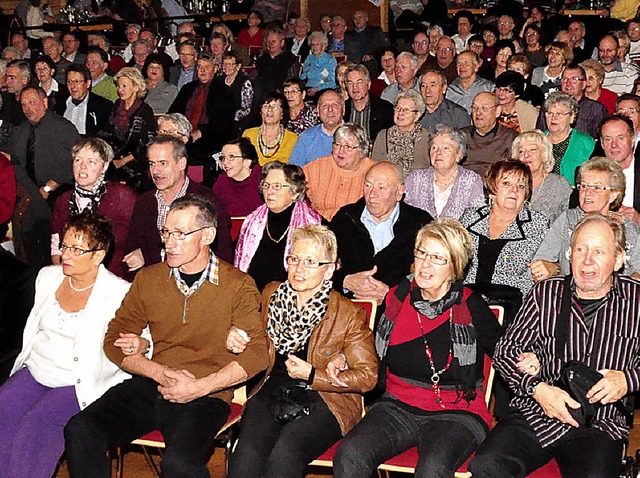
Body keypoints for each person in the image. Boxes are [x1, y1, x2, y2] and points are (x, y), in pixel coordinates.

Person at [64, 195, 270, 477]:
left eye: (180, 234)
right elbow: (114, 338)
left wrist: (201, 387)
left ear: (207, 235)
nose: (169, 242)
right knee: (81, 429)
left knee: (179, 464)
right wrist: (158, 372)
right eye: (166, 232)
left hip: (206, 395)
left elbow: (258, 353)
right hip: (153, 383)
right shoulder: (149, 279)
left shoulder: (237, 286)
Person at [469, 214, 640, 478]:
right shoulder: (546, 292)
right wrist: (537, 389)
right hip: (540, 409)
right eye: (580, 249)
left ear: (618, 260)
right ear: (569, 254)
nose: (587, 260)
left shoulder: (636, 300)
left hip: (600, 421)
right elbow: (506, 351)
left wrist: (628, 380)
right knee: (486, 465)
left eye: (598, 251)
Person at [333, 218, 502, 477]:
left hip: (456, 411)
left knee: (433, 468)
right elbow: (368, 346)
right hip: (397, 404)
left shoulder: (471, 306)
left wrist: (533, 369)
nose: (425, 264)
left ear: (455, 267)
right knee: (350, 453)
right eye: (422, 253)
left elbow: (507, 351)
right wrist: (346, 357)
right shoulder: (396, 300)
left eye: (437, 258)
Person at [227, 224, 378, 478]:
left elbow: (368, 377)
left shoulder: (347, 313)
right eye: (294, 259)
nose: (298, 269)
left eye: (310, 262)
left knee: (283, 459)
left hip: (325, 398)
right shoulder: (271, 294)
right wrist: (235, 334)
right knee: (244, 460)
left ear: (329, 269)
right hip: (270, 389)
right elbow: (249, 333)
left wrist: (312, 374)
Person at [0, 213, 134, 477]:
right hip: (38, 369)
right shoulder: (47, 278)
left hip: (78, 380)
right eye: (64, 246)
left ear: (99, 255)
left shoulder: (120, 293)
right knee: (3, 407)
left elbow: (144, 341)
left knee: (36, 425)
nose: (66, 255)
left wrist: (137, 344)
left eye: (76, 249)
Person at [123, 135, 233, 272]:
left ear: (182, 164)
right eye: (152, 163)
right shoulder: (145, 202)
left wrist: (146, 254)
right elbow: (132, 249)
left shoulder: (206, 202)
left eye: (163, 163)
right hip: (155, 284)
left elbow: (223, 256)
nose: (155, 171)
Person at [329, 162, 432, 303]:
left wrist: (392, 295)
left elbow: (436, 278)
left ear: (399, 192)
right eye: (368, 185)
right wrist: (344, 281)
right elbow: (317, 267)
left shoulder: (420, 223)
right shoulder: (345, 218)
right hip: (346, 309)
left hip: (398, 312)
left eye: (381, 188)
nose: (372, 194)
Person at [530, 157, 640, 281]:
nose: (587, 193)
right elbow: (542, 260)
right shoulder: (568, 220)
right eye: (584, 186)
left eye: (597, 188)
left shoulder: (629, 229)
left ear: (613, 195)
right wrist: (553, 268)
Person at [6, 86, 79, 268]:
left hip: (57, 190)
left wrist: (48, 187)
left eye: (32, 103)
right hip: (29, 192)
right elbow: (16, 163)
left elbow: (74, 164)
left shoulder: (63, 128)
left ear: (44, 102)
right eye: (24, 104)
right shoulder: (21, 131)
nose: (28, 108)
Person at [460, 159, 550, 302]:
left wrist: (552, 268)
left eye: (521, 186)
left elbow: (549, 266)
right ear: (492, 189)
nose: (514, 190)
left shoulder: (538, 224)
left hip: (513, 306)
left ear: (526, 194)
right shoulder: (470, 217)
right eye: (506, 183)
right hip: (466, 300)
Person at [51, 138, 136, 280]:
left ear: (104, 167)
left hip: (113, 277)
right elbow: (56, 244)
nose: (82, 167)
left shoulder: (123, 197)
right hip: (73, 277)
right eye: (78, 160)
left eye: (91, 162)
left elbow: (143, 236)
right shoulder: (63, 200)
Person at [234, 162, 321, 291]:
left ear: (295, 192)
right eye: (266, 185)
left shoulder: (314, 225)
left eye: (277, 186)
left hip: (294, 300)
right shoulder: (252, 222)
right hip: (252, 297)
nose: (269, 192)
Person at [405, 124, 484, 220]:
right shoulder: (415, 179)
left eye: (446, 148)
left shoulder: (472, 180)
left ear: (459, 154)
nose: (438, 152)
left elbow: (476, 220)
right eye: (434, 147)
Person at [303, 123, 376, 221]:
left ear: (362, 151)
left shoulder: (374, 172)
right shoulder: (317, 167)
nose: (341, 151)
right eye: (337, 145)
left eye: (348, 147)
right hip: (318, 227)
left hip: (355, 229)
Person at [105, 67, 155, 193]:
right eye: (118, 86)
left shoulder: (145, 111)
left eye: (124, 86)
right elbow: (108, 132)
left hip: (135, 162)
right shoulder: (117, 105)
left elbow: (148, 144)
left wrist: (122, 161)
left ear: (136, 87)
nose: (120, 90)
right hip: (114, 157)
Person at [513, 130, 572, 223]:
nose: (526, 155)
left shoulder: (559, 184)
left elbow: (569, 221)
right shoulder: (510, 184)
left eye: (532, 150)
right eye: (521, 151)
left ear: (544, 154)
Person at [537, 65, 608, 140]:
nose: (568, 83)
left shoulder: (596, 109)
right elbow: (540, 136)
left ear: (584, 84)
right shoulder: (549, 107)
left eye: (574, 79)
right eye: (565, 79)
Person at [371, 89, 429, 177]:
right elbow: (374, 167)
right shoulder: (383, 136)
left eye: (406, 110)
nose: (400, 113)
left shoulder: (427, 138)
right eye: (398, 108)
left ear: (417, 115)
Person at [543, 92, 594, 186]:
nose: (553, 118)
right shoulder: (537, 140)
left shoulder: (585, 142)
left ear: (572, 117)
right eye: (550, 113)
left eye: (559, 114)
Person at [462, 92, 518, 176]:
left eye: (484, 108)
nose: (478, 113)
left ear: (497, 111)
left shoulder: (511, 137)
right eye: (474, 108)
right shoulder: (461, 136)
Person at [289, 89, 344, 167]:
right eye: (325, 105)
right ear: (317, 111)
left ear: (343, 110)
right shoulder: (306, 137)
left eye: (335, 105)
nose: (330, 109)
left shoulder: (355, 136)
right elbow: (294, 171)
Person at [242, 92, 298, 166]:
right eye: (266, 106)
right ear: (261, 111)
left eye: (275, 107)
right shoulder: (248, 134)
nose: (269, 110)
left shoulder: (293, 139)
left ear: (282, 113)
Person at [343, 64, 394, 145]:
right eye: (350, 83)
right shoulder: (341, 109)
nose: (355, 87)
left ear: (368, 84)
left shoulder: (385, 109)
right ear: (345, 86)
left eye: (359, 82)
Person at [56, 64, 112, 137]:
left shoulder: (103, 106)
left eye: (77, 81)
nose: (73, 86)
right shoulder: (60, 102)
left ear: (88, 83)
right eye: (69, 81)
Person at [213, 137, 263, 217]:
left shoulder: (264, 180)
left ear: (247, 162)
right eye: (222, 158)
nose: (225, 162)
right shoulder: (222, 181)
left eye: (231, 157)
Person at [220, 52, 254, 136]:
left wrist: (229, 118)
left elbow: (246, 109)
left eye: (230, 64)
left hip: (237, 124)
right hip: (219, 122)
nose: (226, 67)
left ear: (238, 66)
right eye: (224, 64)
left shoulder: (245, 83)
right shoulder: (218, 81)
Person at [301, 32, 337, 97]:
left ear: (323, 46)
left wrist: (317, 89)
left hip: (323, 89)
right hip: (308, 88)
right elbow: (304, 75)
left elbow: (332, 82)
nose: (314, 47)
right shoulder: (309, 58)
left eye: (317, 44)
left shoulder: (330, 59)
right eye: (312, 44)